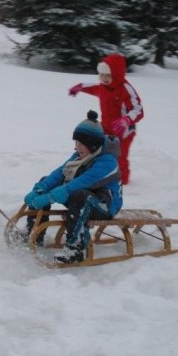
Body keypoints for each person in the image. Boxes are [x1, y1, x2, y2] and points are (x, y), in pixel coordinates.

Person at [23, 111, 122, 264]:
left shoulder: (108, 161)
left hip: (103, 205)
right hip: (82, 197)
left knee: (80, 195)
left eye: (81, 144)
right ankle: (34, 234)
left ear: (92, 145)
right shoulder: (80, 156)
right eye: (76, 143)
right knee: (50, 184)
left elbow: (85, 181)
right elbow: (61, 173)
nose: (77, 148)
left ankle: (76, 248)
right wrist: (41, 188)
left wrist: (55, 195)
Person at [68, 53, 143, 185]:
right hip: (107, 127)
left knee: (119, 156)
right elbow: (92, 87)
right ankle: (100, 173)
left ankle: (121, 182)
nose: (104, 78)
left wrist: (126, 120)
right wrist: (80, 87)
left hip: (124, 131)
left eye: (108, 75)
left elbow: (138, 109)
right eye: (102, 75)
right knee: (99, 151)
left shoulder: (126, 89)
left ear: (117, 74)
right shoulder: (103, 87)